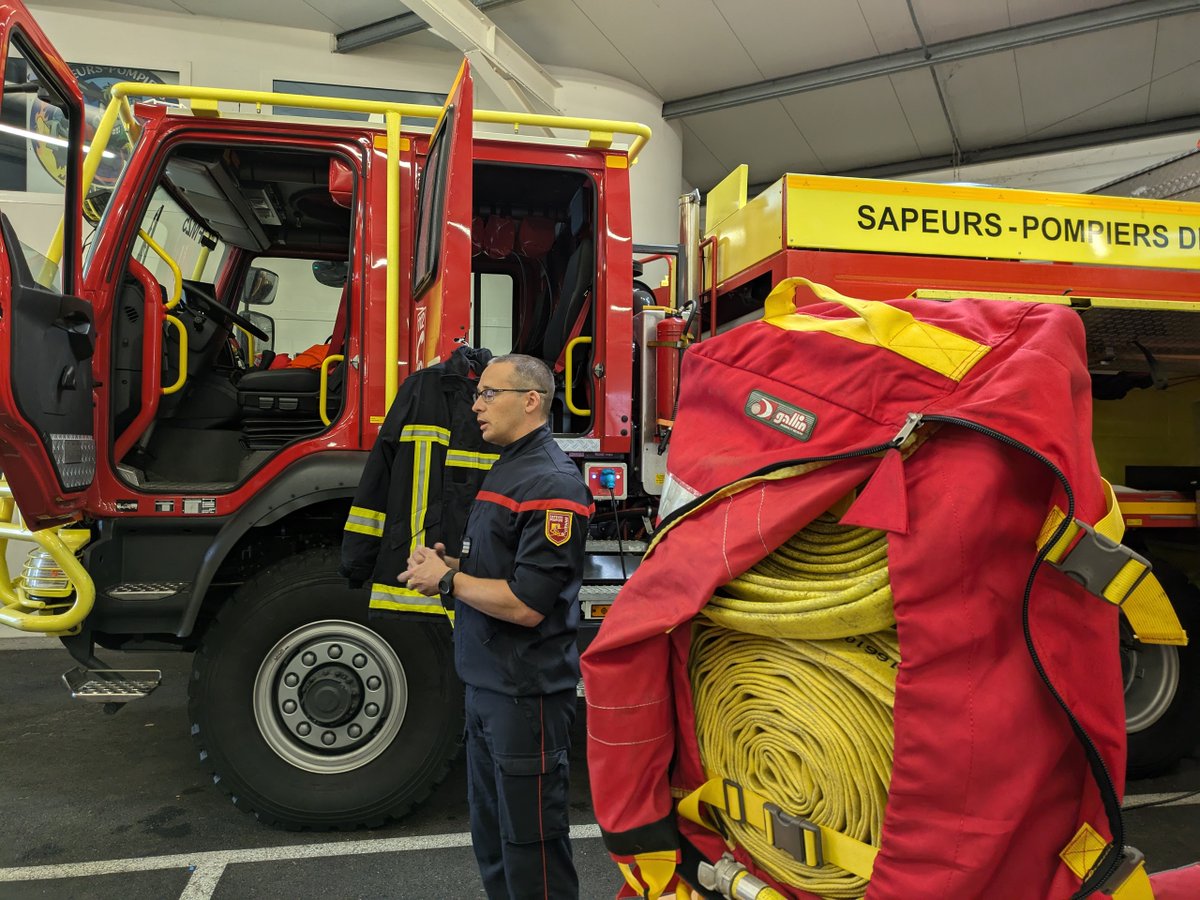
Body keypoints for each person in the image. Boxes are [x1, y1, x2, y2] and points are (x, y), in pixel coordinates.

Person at [399, 353, 593, 900]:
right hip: (489, 687)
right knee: (494, 843)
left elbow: (528, 604)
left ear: (530, 401)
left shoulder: (552, 483)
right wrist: (449, 565)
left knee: (533, 852)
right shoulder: (509, 467)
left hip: (524, 697)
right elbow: (500, 568)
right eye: (477, 394)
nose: (476, 405)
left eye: (489, 394)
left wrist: (447, 582)